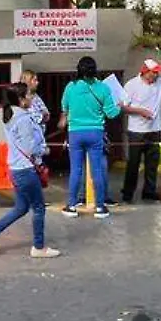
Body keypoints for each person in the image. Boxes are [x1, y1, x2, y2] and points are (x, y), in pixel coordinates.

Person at [0, 83, 59, 258]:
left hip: (15, 168)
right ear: (21, 100)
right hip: (26, 169)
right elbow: (30, 147)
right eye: (29, 95)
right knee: (38, 208)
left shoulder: (11, 115)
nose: (32, 98)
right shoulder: (23, 119)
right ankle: (39, 247)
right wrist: (44, 150)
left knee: (21, 207)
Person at [61, 56, 122, 218]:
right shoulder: (103, 88)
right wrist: (120, 106)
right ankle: (100, 207)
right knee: (97, 170)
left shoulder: (70, 87)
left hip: (75, 132)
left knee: (76, 170)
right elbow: (111, 113)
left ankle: (72, 206)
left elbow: (64, 108)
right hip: (96, 132)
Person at [119, 59, 161, 204]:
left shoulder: (160, 82)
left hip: (154, 130)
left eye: (157, 73)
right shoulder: (131, 85)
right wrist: (140, 111)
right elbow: (123, 107)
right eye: (153, 72)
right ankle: (128, 192)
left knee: (152, 163)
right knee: (133, 163)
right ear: (145, 71)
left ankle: (149, 191)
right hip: (136, 131)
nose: (155, 76)